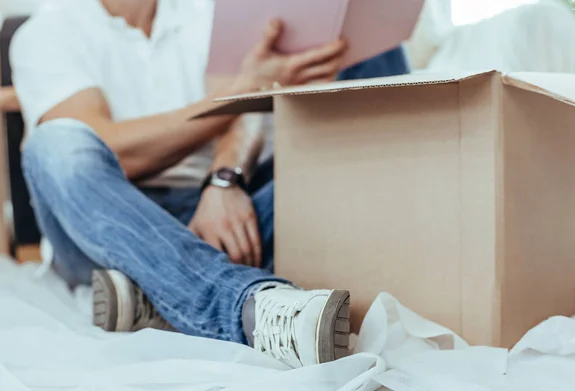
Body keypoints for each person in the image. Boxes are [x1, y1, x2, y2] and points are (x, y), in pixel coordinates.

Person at [11, 0, 408, 368]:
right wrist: (240, 89)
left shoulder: (212, 11)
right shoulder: (48, 33)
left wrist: (223, 182)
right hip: (109, 222)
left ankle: (154, 294)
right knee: (55, 143)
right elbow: (112, 148)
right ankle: (245, 308)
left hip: (220, 209)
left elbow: (244, 115)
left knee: (367, 78)